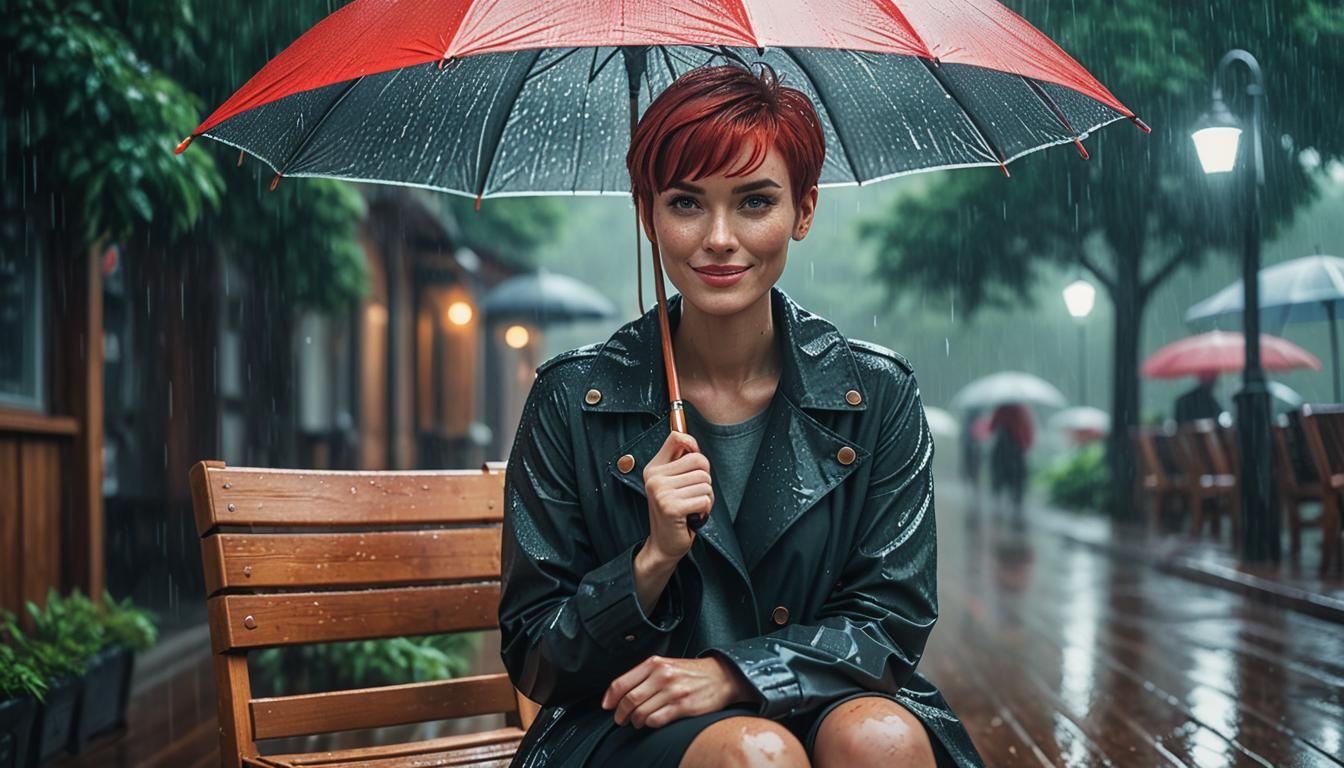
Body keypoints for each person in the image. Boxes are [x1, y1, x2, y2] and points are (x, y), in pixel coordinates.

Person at [497, 64, 982, 768]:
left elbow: (890, 622)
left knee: (883, 739)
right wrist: (649, 561)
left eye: (755, 202)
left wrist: (734, 673)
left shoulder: (875, 395)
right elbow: (538, 658)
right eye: (686, 203)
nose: (719, 237)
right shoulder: (573, 399)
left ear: (804, 211)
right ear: (648, 214)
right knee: (755, 756)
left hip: (815, 699)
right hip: (623, 729)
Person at [988, 403, 1034, 523]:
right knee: (1017, 484)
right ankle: (1017, 512)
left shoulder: (1001, 410)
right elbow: (1028, 432)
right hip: (1017, 452)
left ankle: (1000, 512)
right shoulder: (1023, 411)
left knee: (999, 483)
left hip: (1002, 452)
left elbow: (991, 428)